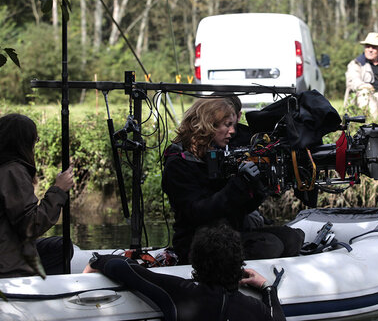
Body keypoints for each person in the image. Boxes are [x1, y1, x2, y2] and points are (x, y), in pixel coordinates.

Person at [162, 98, 304, 264]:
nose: (232, 131)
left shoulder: (218, 155)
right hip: (197, 240)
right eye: (227, 125)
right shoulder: (178, 164)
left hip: (229, 231)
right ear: (209, 125)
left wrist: (258, 187)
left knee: (293, 238)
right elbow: (199, 212)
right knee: (270, 246)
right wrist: (239, 184)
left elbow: (239, 208)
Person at [84, 224, 286, 321]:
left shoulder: (181, 294)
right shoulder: (255, 310)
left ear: (196, 264)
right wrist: (267, 288)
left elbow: (126, 269)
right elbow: (277, 318)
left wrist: (97, 261)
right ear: (239, 265)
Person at [0, 114, 74, 278]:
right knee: (61, 248)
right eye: (35, 140)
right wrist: (58, 190)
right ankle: (45, 296)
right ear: (25, 142)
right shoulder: (11, 171)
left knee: (60, 246)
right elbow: (31, 225)